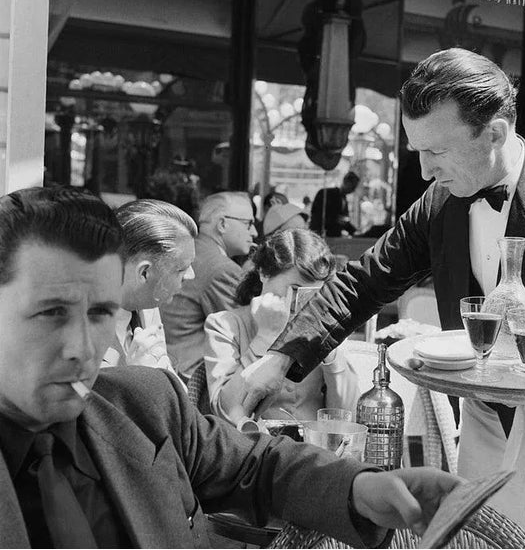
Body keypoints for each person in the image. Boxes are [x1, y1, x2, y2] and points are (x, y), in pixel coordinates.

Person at [240, 48, 525, 548]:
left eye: (438, 152)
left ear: (494, 133)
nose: (425, 171)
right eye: (417, 151)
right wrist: (278, 358)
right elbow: (363, 282)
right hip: (482, 430)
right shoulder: (440, 201)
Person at [0, 184, 460, 548]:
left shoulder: (144, 402)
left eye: (100, 312)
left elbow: (258, 466)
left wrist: (363, 490)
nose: (81, 348)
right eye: (51, 312)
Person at [205, 228, 359, 425]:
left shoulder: (324, 320)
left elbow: (347, 416)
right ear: (264, 273)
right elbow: (224, 414)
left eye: (314, 293)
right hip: (255, 447)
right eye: (294, 289)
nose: (303, 302)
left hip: (313, 446)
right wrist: (265, 337)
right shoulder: (224, 325)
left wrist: (331, 354)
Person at [161, 191, 257, 380]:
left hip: (170, 364)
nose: (254, 232)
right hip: (191, 376)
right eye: (249, 224)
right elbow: (246, 336)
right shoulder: (222, 268)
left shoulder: (193, 249)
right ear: (222, 224)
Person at [101, 200, 196, 383]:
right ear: (144, 273)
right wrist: (136, 380)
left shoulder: (147, 304)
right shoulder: (74, 323)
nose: (191, 275)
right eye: (181, 269)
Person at [310, 171, 360, 237]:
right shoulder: (325, 193)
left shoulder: (344, 200)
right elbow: (317, 214)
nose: (353, 190)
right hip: (321, 234)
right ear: (345, 181)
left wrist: (355, 232)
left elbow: (344, 222)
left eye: (354, 187)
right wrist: (335, 220)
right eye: (352, 186)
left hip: (334, 236)